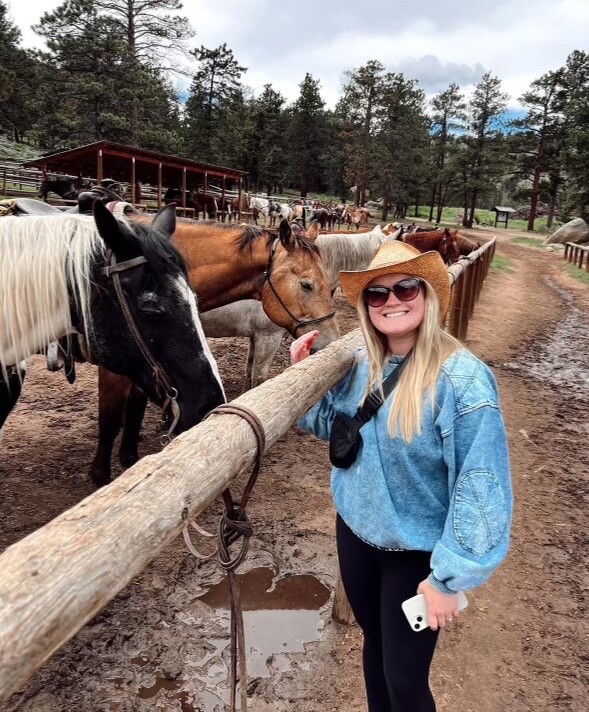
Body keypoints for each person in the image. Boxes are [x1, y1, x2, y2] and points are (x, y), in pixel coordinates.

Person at [290, 240, 512, 712]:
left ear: (427, 295)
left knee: (406, 682)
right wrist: (303, 378)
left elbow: (480, 486)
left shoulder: (462, 382)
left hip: (415, 555)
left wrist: (447, 579)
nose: (391, 301)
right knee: (375, 647)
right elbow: (334, 428)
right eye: (377, 293)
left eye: (405, 288)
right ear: (367, 306)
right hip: (356, 533)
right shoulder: (361, 364)